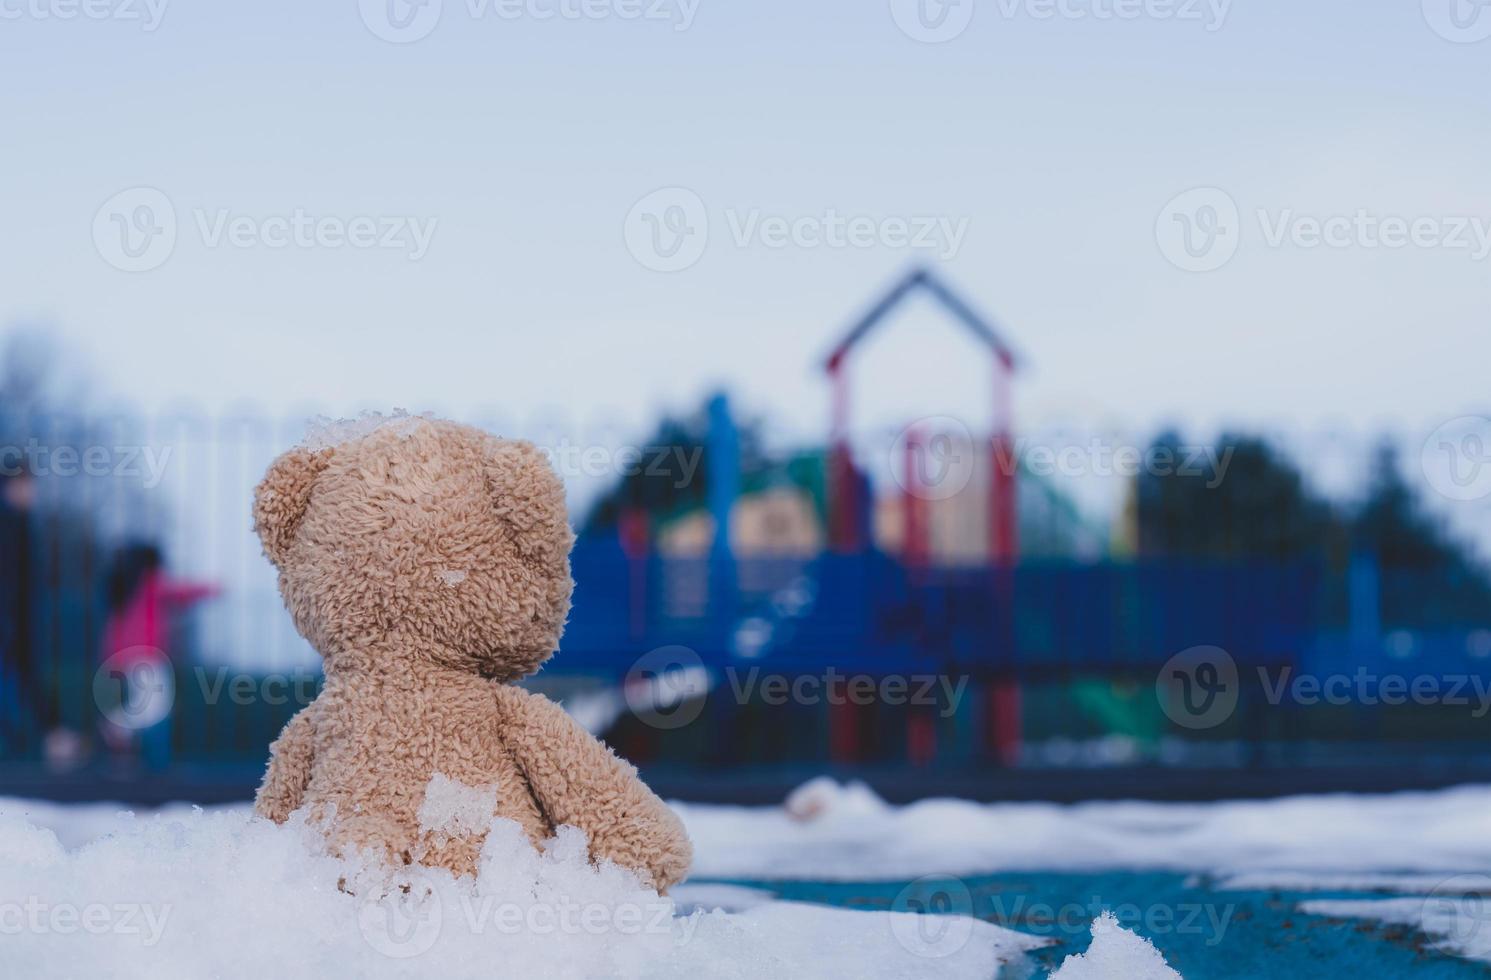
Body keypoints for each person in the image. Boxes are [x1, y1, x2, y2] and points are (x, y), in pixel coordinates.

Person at [98, 543, 218, 767]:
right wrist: (211, 589)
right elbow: (179, 592)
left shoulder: (129, 586)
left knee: (148, 704)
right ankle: (117, 727)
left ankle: (124, 750)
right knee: (155, 706)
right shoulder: (150, 581)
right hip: (146, 656)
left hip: (127, 658)